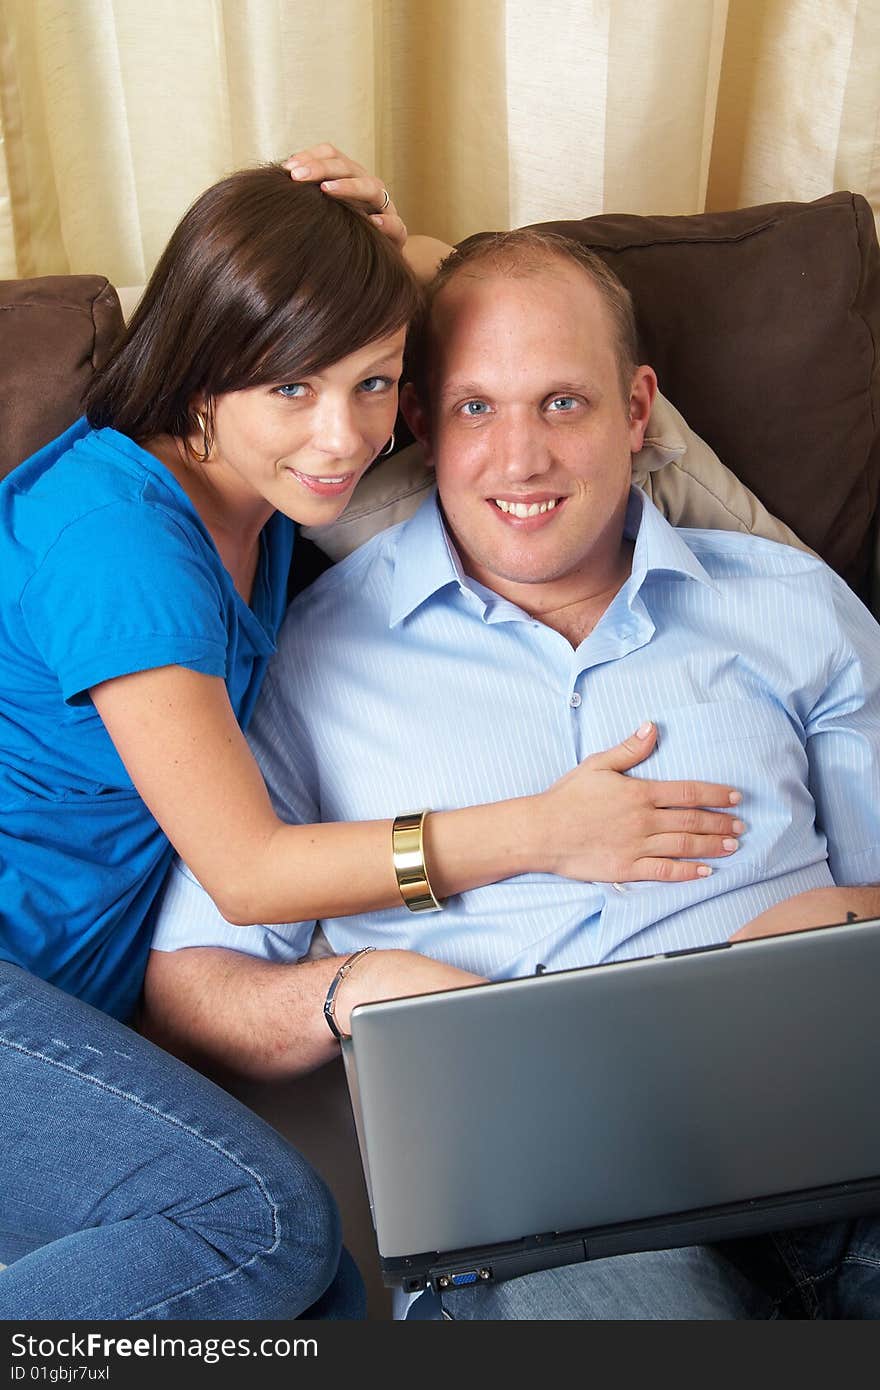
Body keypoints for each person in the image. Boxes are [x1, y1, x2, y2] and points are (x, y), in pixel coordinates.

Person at [0, 141, 738, 1322]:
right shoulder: (118, 534)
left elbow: (512, 338)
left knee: (334, 1301)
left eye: (374, 382)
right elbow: (246, 874)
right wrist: (542, 831)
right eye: (290, 387)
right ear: (201, 376)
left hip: (54, 1010)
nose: (343, 437)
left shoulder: (266, 507)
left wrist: (407, 251)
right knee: (262, 1225)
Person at [144, 229, 880, 1320]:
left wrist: (847, 916)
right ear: (423, 423)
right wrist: (348, 994)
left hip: (841, 1154)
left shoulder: (792, 604)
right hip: (547, 1232)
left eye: (563, 404)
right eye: (477, 408)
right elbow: (187, 987)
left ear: (639, 410)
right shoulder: (305, 657)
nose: (520, 458)